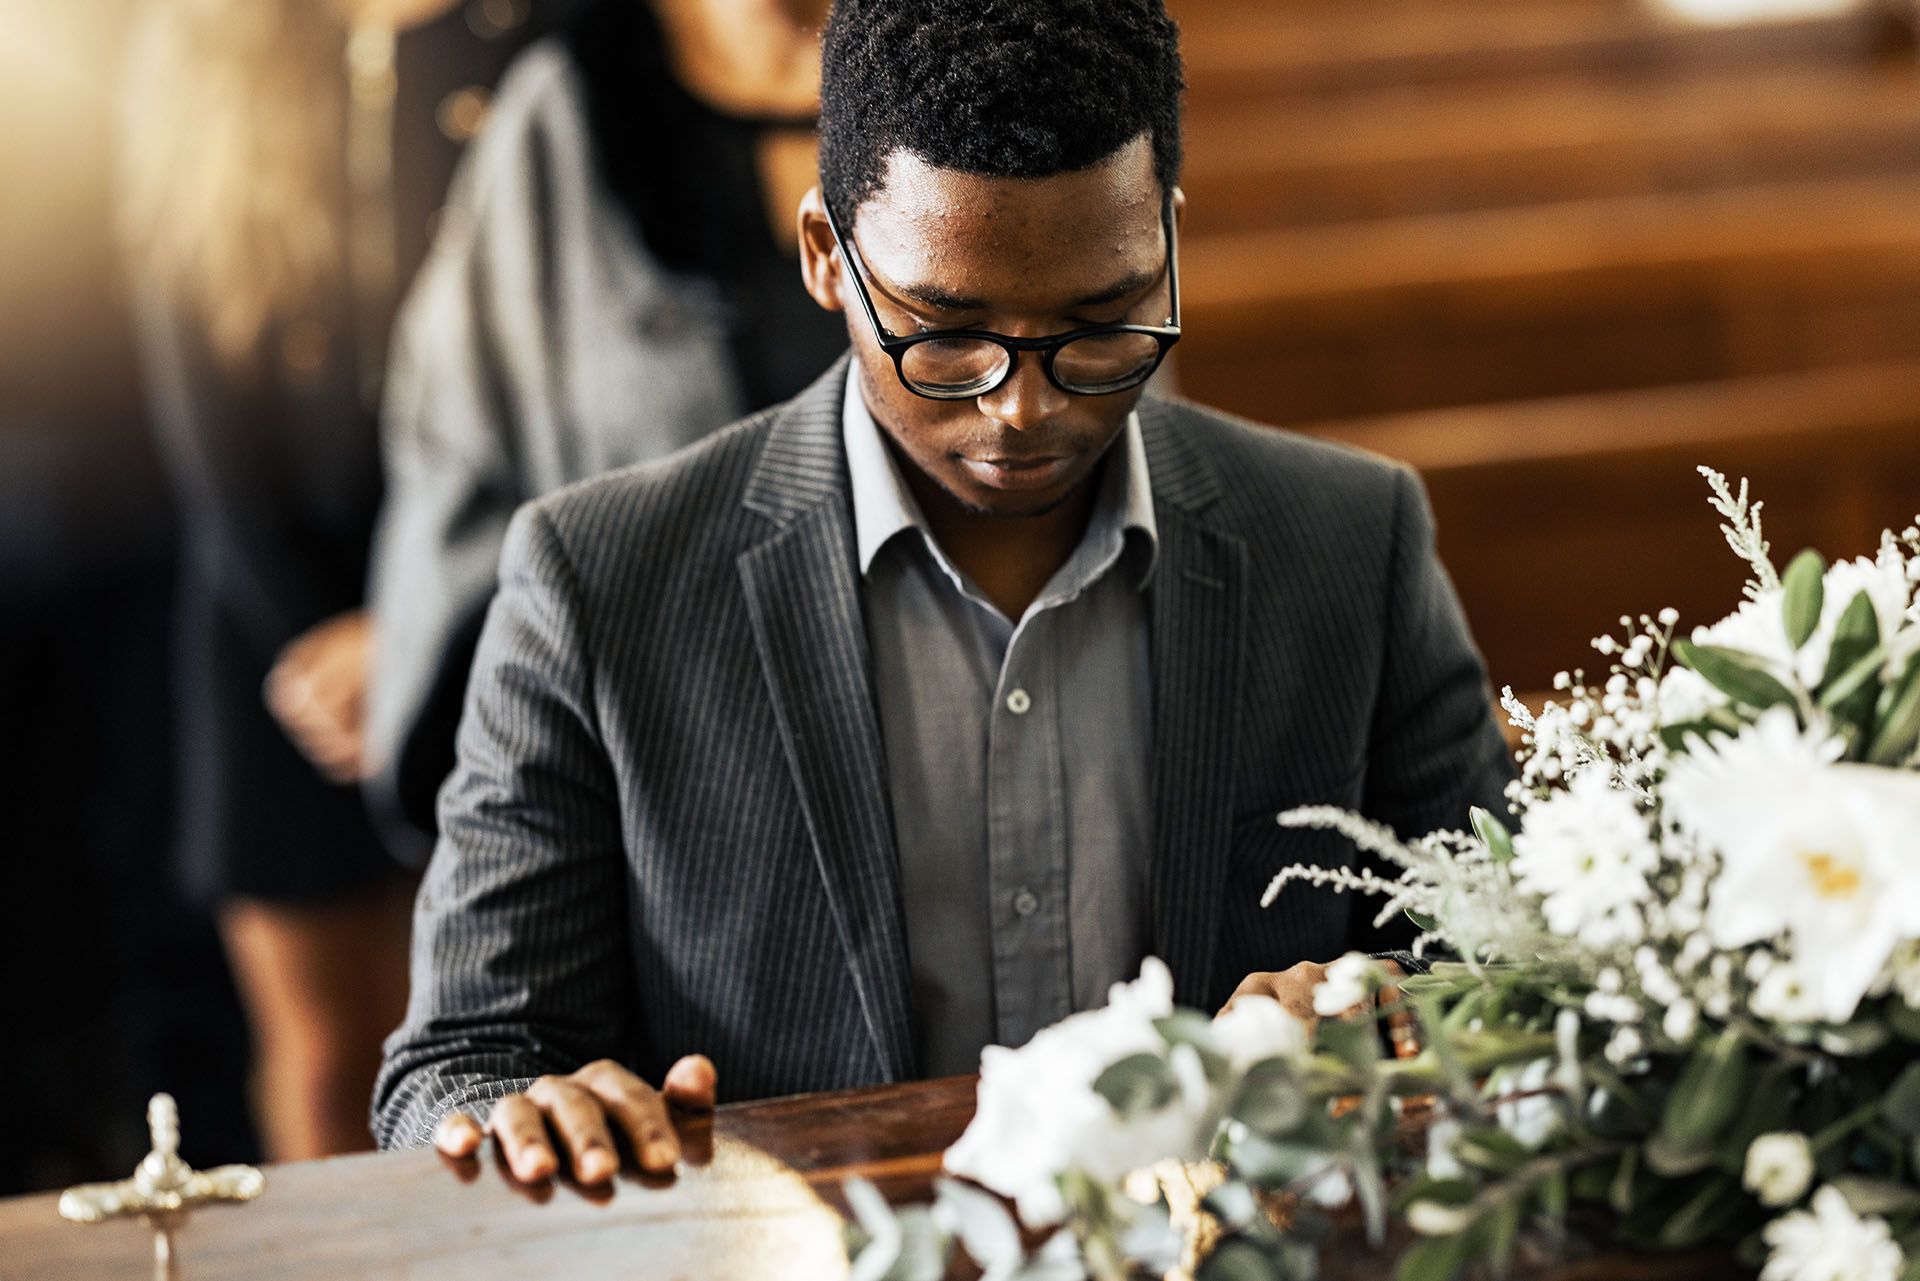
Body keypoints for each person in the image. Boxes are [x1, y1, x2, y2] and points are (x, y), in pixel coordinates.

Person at [373, 0, 1513, 1183]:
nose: (1022, 408)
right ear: (826, 254)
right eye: (947, 331)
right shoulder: (597, 583)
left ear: (1168, 240)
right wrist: (526, 1110)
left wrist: (1375, 1006)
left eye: (1101, 322)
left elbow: (1500, 971)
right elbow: (459, 1062)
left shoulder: (1347, 543)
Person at [118, 0, 548, 1158]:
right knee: (315, 1067)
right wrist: (323, 634)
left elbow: (548, 377)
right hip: (274, 643)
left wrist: (413, 637)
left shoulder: (539, 36)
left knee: (467, 1054)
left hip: (485, 621)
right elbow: (194, 381)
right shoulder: (204, 44)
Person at [363, 0, 845, 862]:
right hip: (656, 789)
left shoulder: (966, 67)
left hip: (939, 727)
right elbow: (454, 444)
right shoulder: (565, 108)